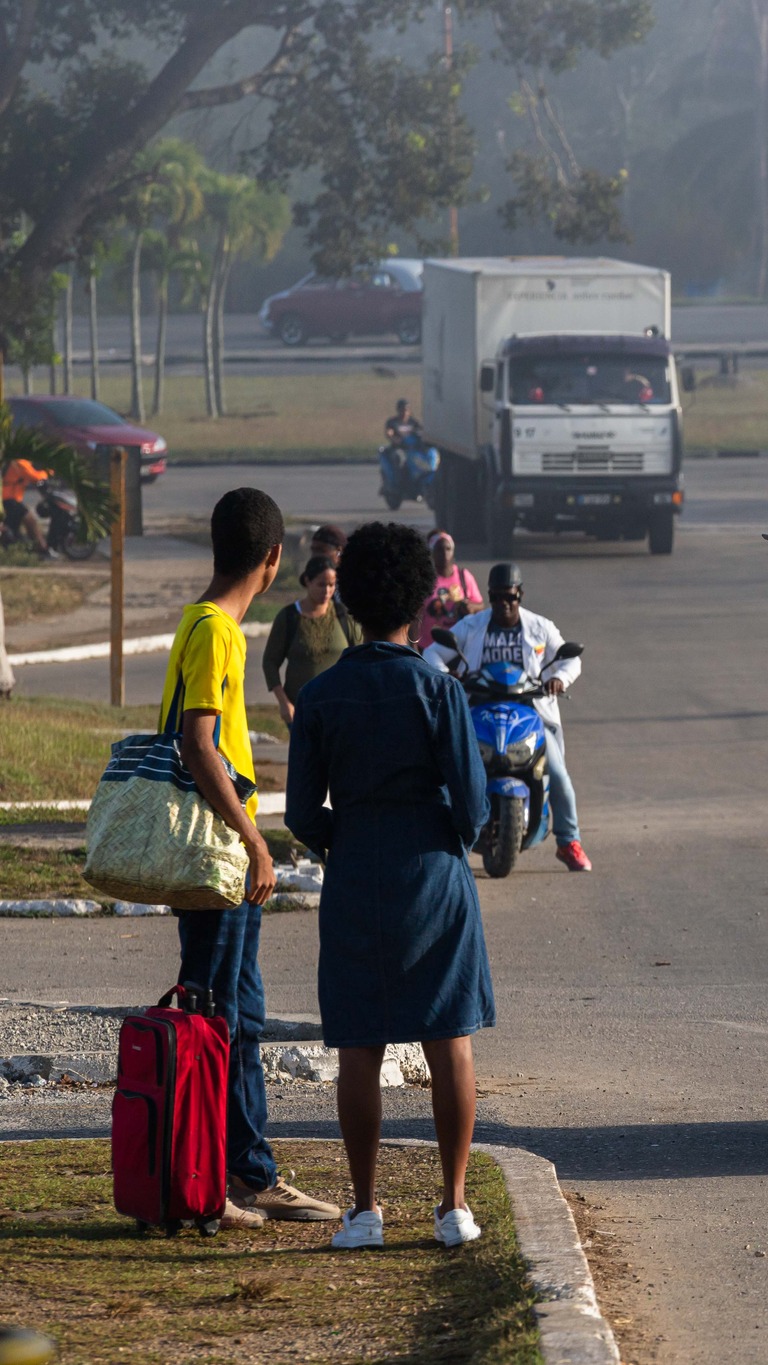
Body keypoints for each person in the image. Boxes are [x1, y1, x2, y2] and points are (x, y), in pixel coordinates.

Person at [285, 521, 494, 1251]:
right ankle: (454, 1204)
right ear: (418, 600)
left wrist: (345, 839)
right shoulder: (439, 691)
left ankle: (366, 1208)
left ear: (353, 604)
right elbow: (474, 807)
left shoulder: (320, 697)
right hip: (433, 870)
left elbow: (304, 812)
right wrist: (440, 839)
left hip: (355, 873)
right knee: (450, 1041)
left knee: (360, 1047)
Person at [167, 488, 341, 1230]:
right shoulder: (216, 631)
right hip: (220, 852)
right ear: (272, 561)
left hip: (223, 852)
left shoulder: (209, 625)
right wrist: (254, 837)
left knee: (240, 1014)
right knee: (210, 1018)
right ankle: (202, 1184)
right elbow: (197, 742)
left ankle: (249, 1172)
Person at [425, 563, 590, 872]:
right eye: (497, 597)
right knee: (446, 768)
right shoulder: (472, 626)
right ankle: (437, 838)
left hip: (530, 714)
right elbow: (433, 653)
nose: (503, 604)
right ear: (489, 596)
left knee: (557, 771)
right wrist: (449, 678)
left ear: (520, 595)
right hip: (478, 711)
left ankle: (569, 841)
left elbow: (571, 659)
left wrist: (559, 680)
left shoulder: (541, 627)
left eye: (510, 597)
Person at [261, 555, 362, 725]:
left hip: (339, 710)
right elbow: (270, 662)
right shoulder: (289, 617)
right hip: (301, 711)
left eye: (331, 585)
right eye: (321, 584)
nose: (327, 591)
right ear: (307, 581)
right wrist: (284, 703)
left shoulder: (344, 616)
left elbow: (361, 659)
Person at [416, 531, 483, 648]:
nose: (444, 553)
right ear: (432, 552)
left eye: (448, 549)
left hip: (460, 646)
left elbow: (480, 605)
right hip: (428, 646)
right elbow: (415, 616)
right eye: (439, 549)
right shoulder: (425, 579)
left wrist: (470, 607)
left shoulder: (464, 576)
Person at [2, 451, 53, 558]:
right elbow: (36, 477)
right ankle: (42, 548)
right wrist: (49, 472)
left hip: (10, 499)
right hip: (9, 499)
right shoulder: (20, 463)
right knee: (31, 521)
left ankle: (22, 549)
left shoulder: (18, 462)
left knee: (14, 528)